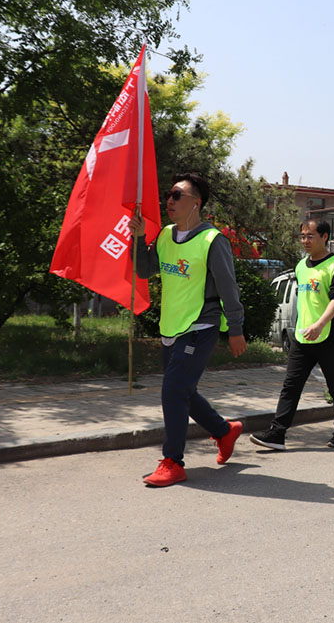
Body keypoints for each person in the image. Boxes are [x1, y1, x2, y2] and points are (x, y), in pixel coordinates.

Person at [129, 172, 245, 487]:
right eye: (168, 195)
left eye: (177, 195)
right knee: (183, 391)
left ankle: (173, 462)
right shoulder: (166, 235)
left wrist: (235, 329)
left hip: (201, 325)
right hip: (172, 327)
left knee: (173, 390)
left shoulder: (212, 240)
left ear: (196, 203)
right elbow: (144, 269)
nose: (170, 200)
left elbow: (229, 289)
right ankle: (224, 430)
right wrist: (138, 237)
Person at [250, 219, 334, 451]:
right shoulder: (300, 266)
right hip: (302, 336)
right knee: (291, 385)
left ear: (325, 237)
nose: (305, 240)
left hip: (328, 335)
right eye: (303, 236)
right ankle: (277, 433)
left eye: (310, 236)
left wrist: (320, 324)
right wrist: (305, 327)